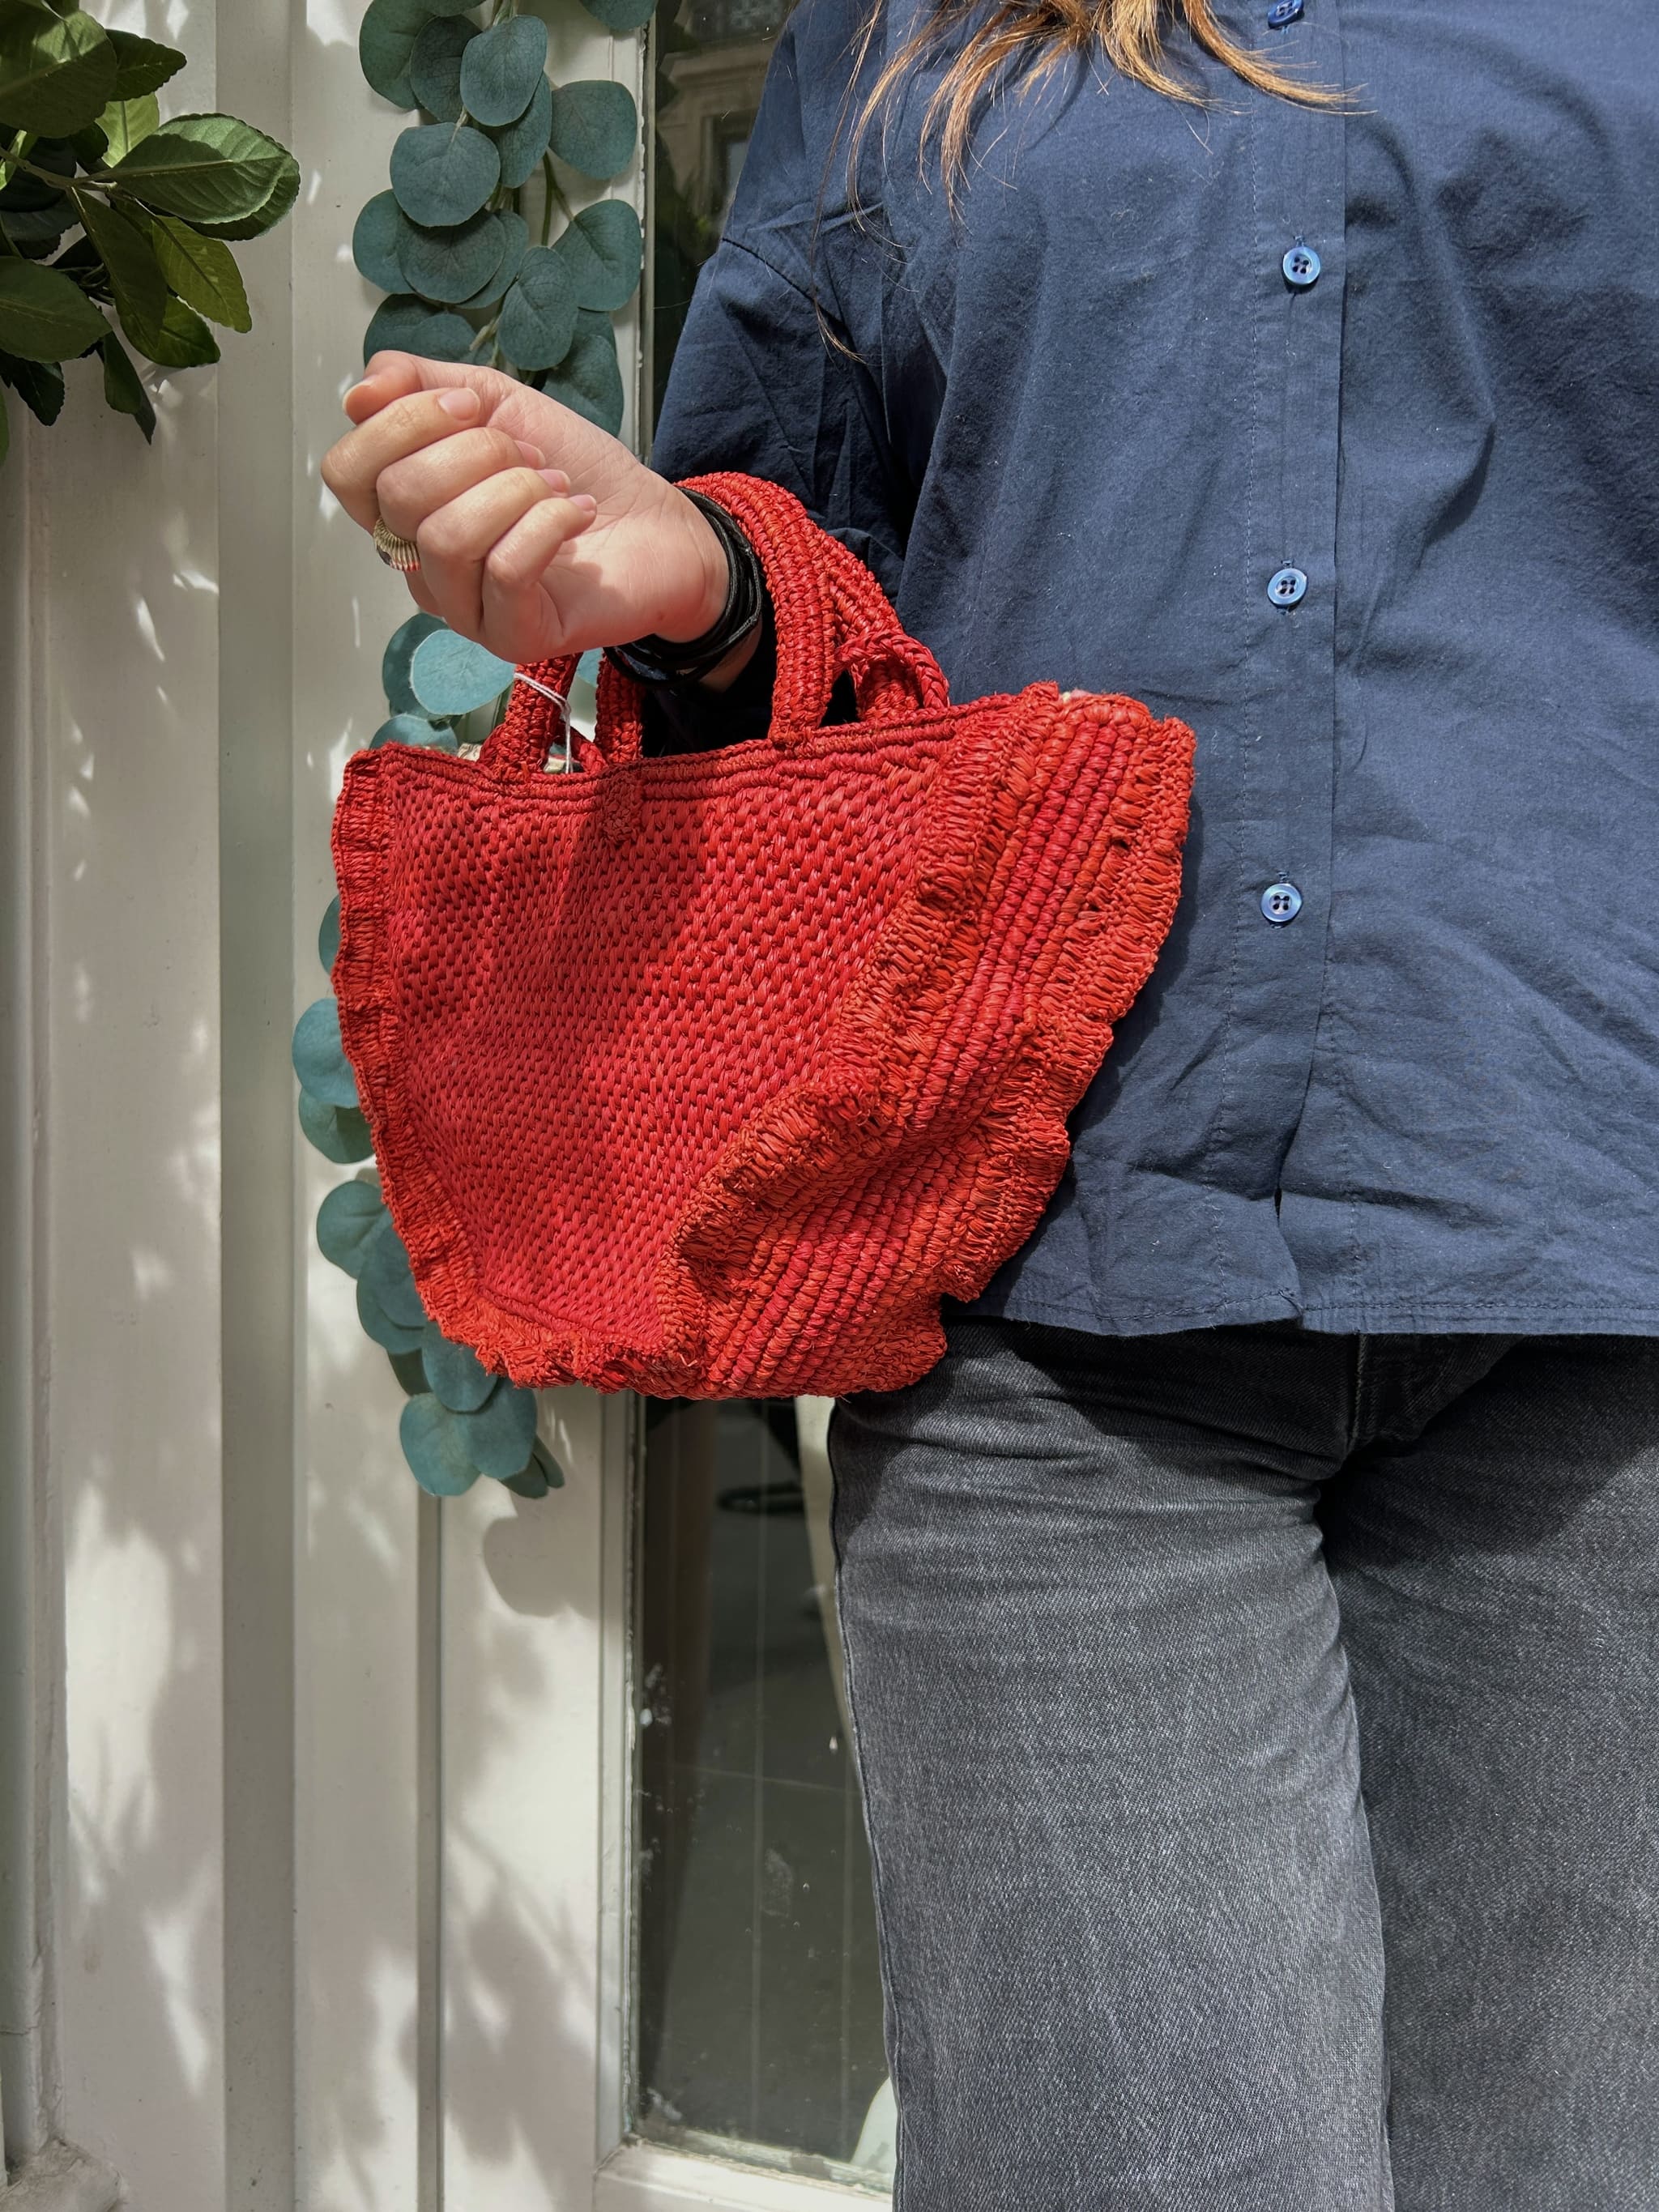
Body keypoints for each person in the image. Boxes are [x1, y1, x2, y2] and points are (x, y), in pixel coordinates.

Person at [320, 0, 1659, 2201]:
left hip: (1598, 1284)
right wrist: (690, 576)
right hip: (1059, 1308)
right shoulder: (909, 36)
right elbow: (809, 590)